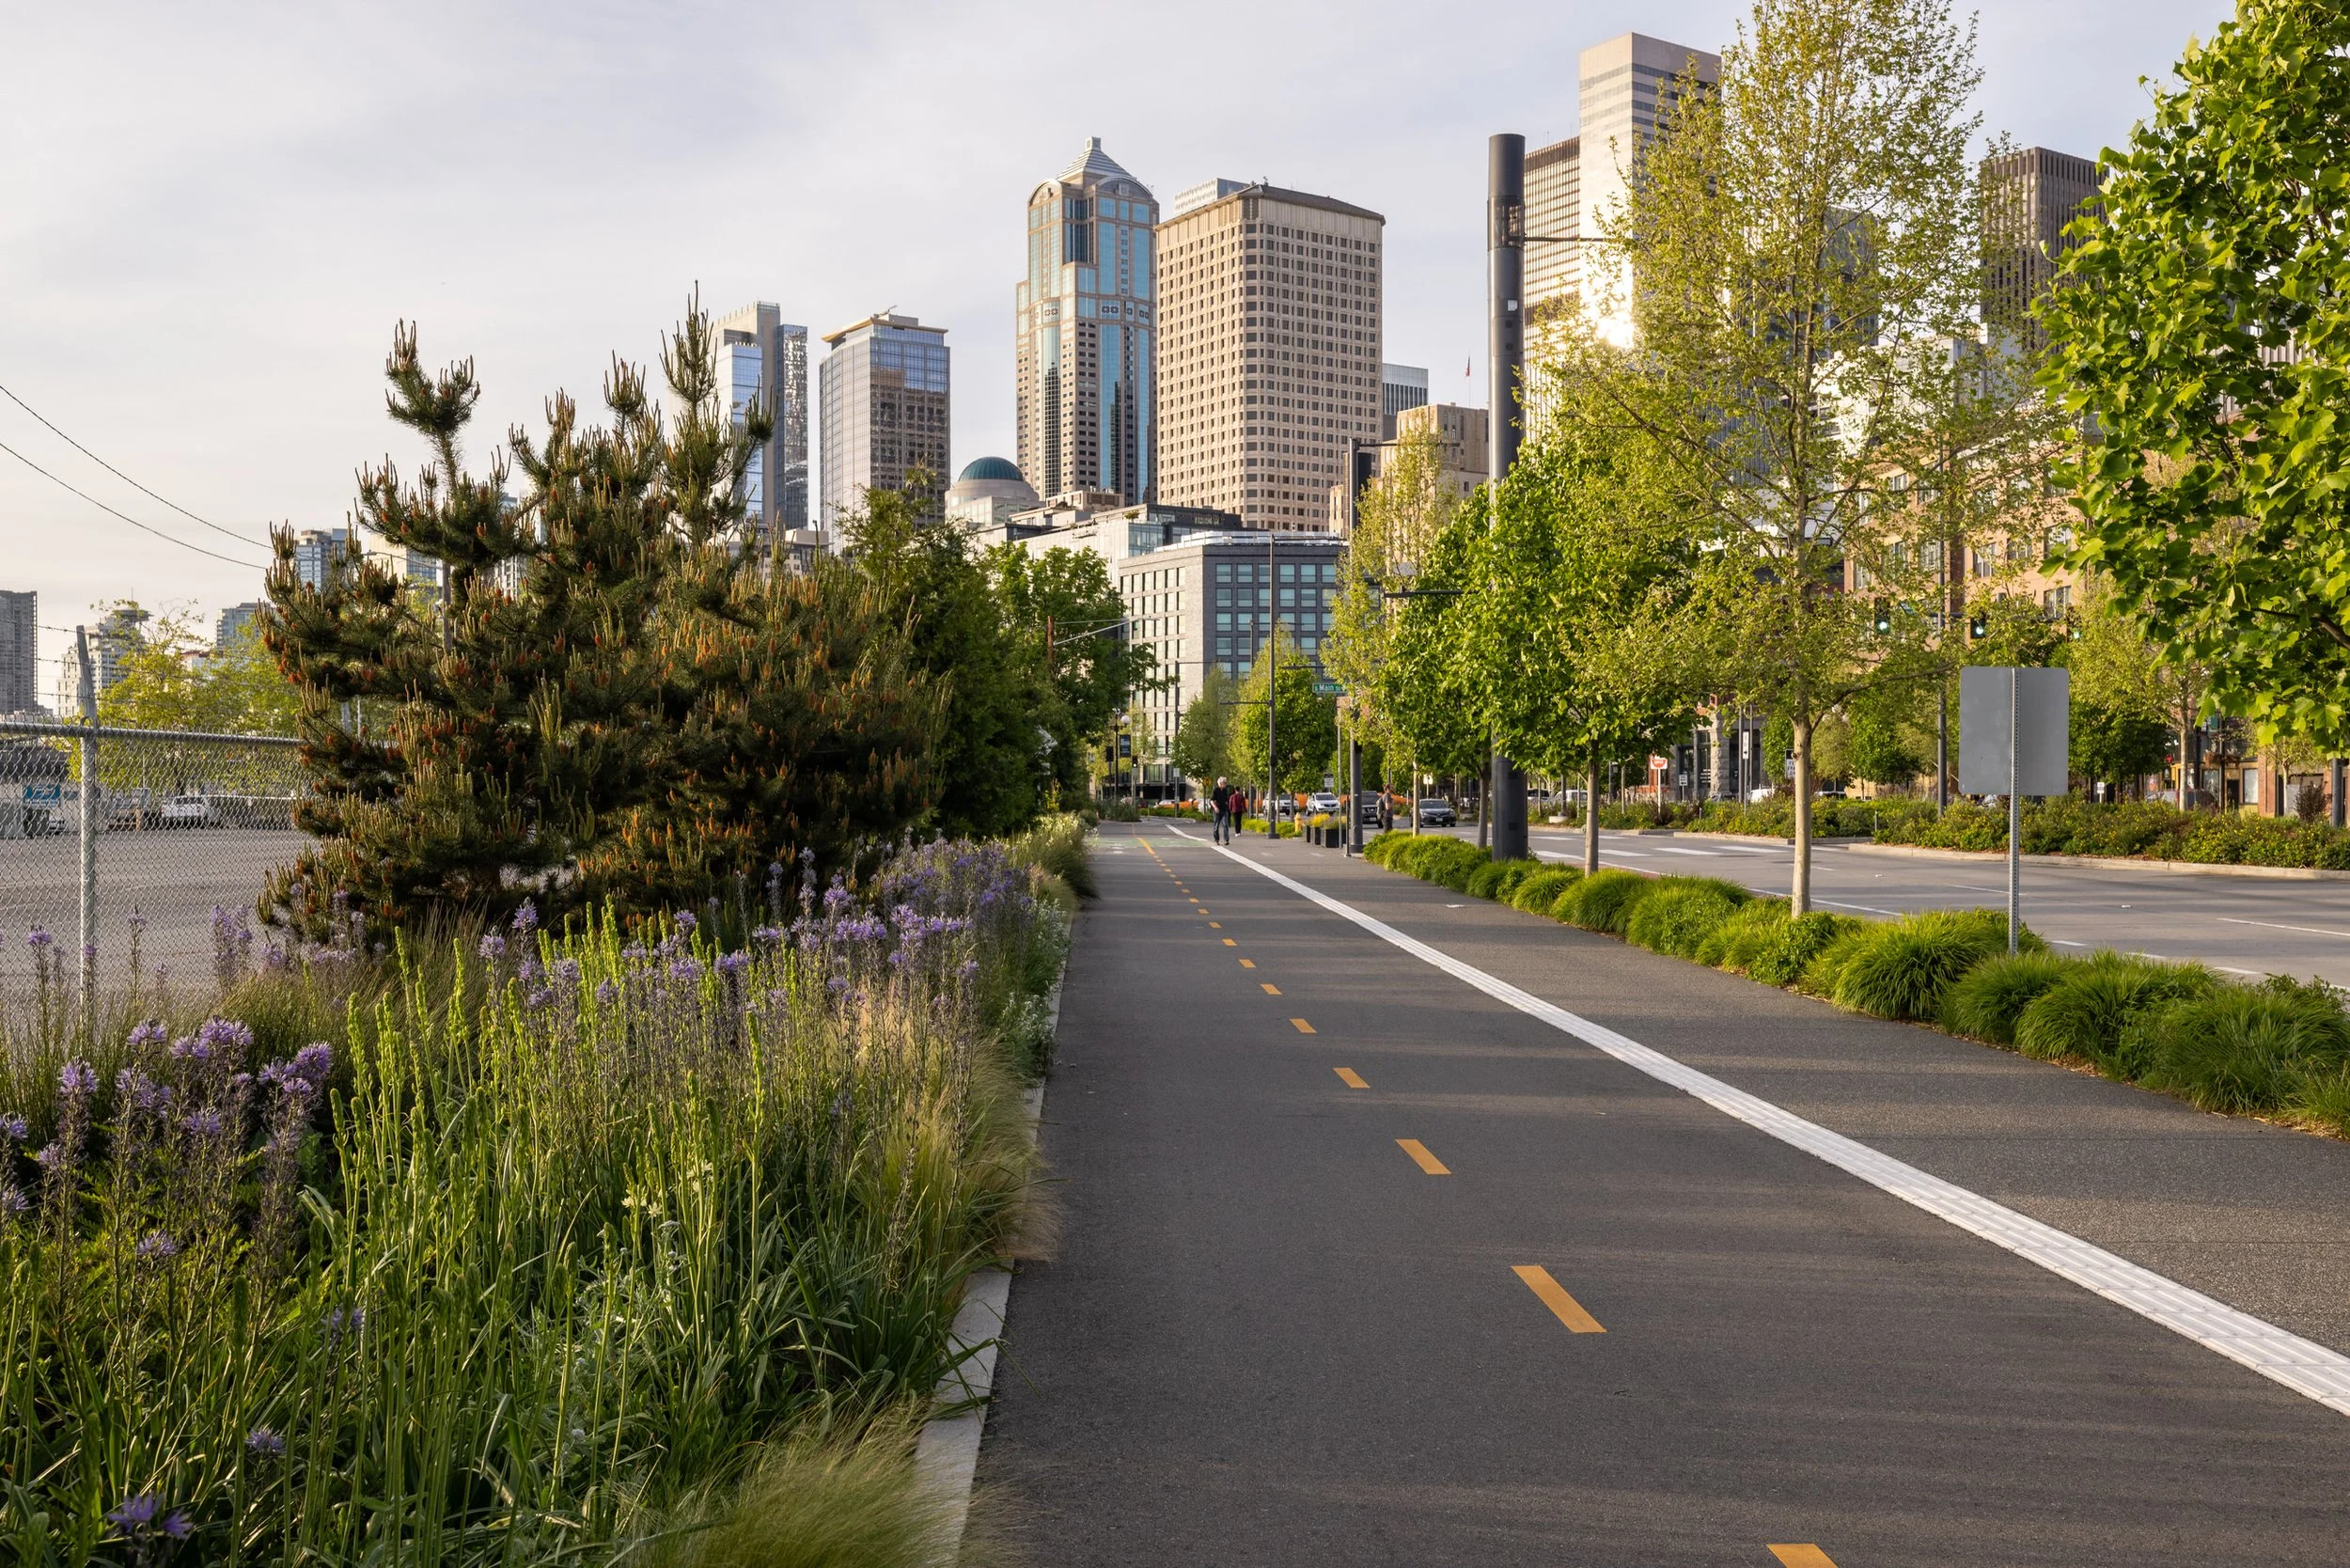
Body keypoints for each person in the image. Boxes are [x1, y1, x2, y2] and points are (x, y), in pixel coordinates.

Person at [1211, 776, 1233, 844]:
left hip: (1224, 810)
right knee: (1216, 825)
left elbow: (1226, 800)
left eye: (1225, 783)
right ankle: (1216, 839)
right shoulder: (1216, 790)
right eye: (1224, 783)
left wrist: (1227, 805)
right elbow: (1211, 800)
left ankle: (1226, 840)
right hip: (1217, 810)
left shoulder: (1225, 791)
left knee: (1225, 824)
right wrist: (1215, 807)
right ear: (1220, 783)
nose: (1225, 784)